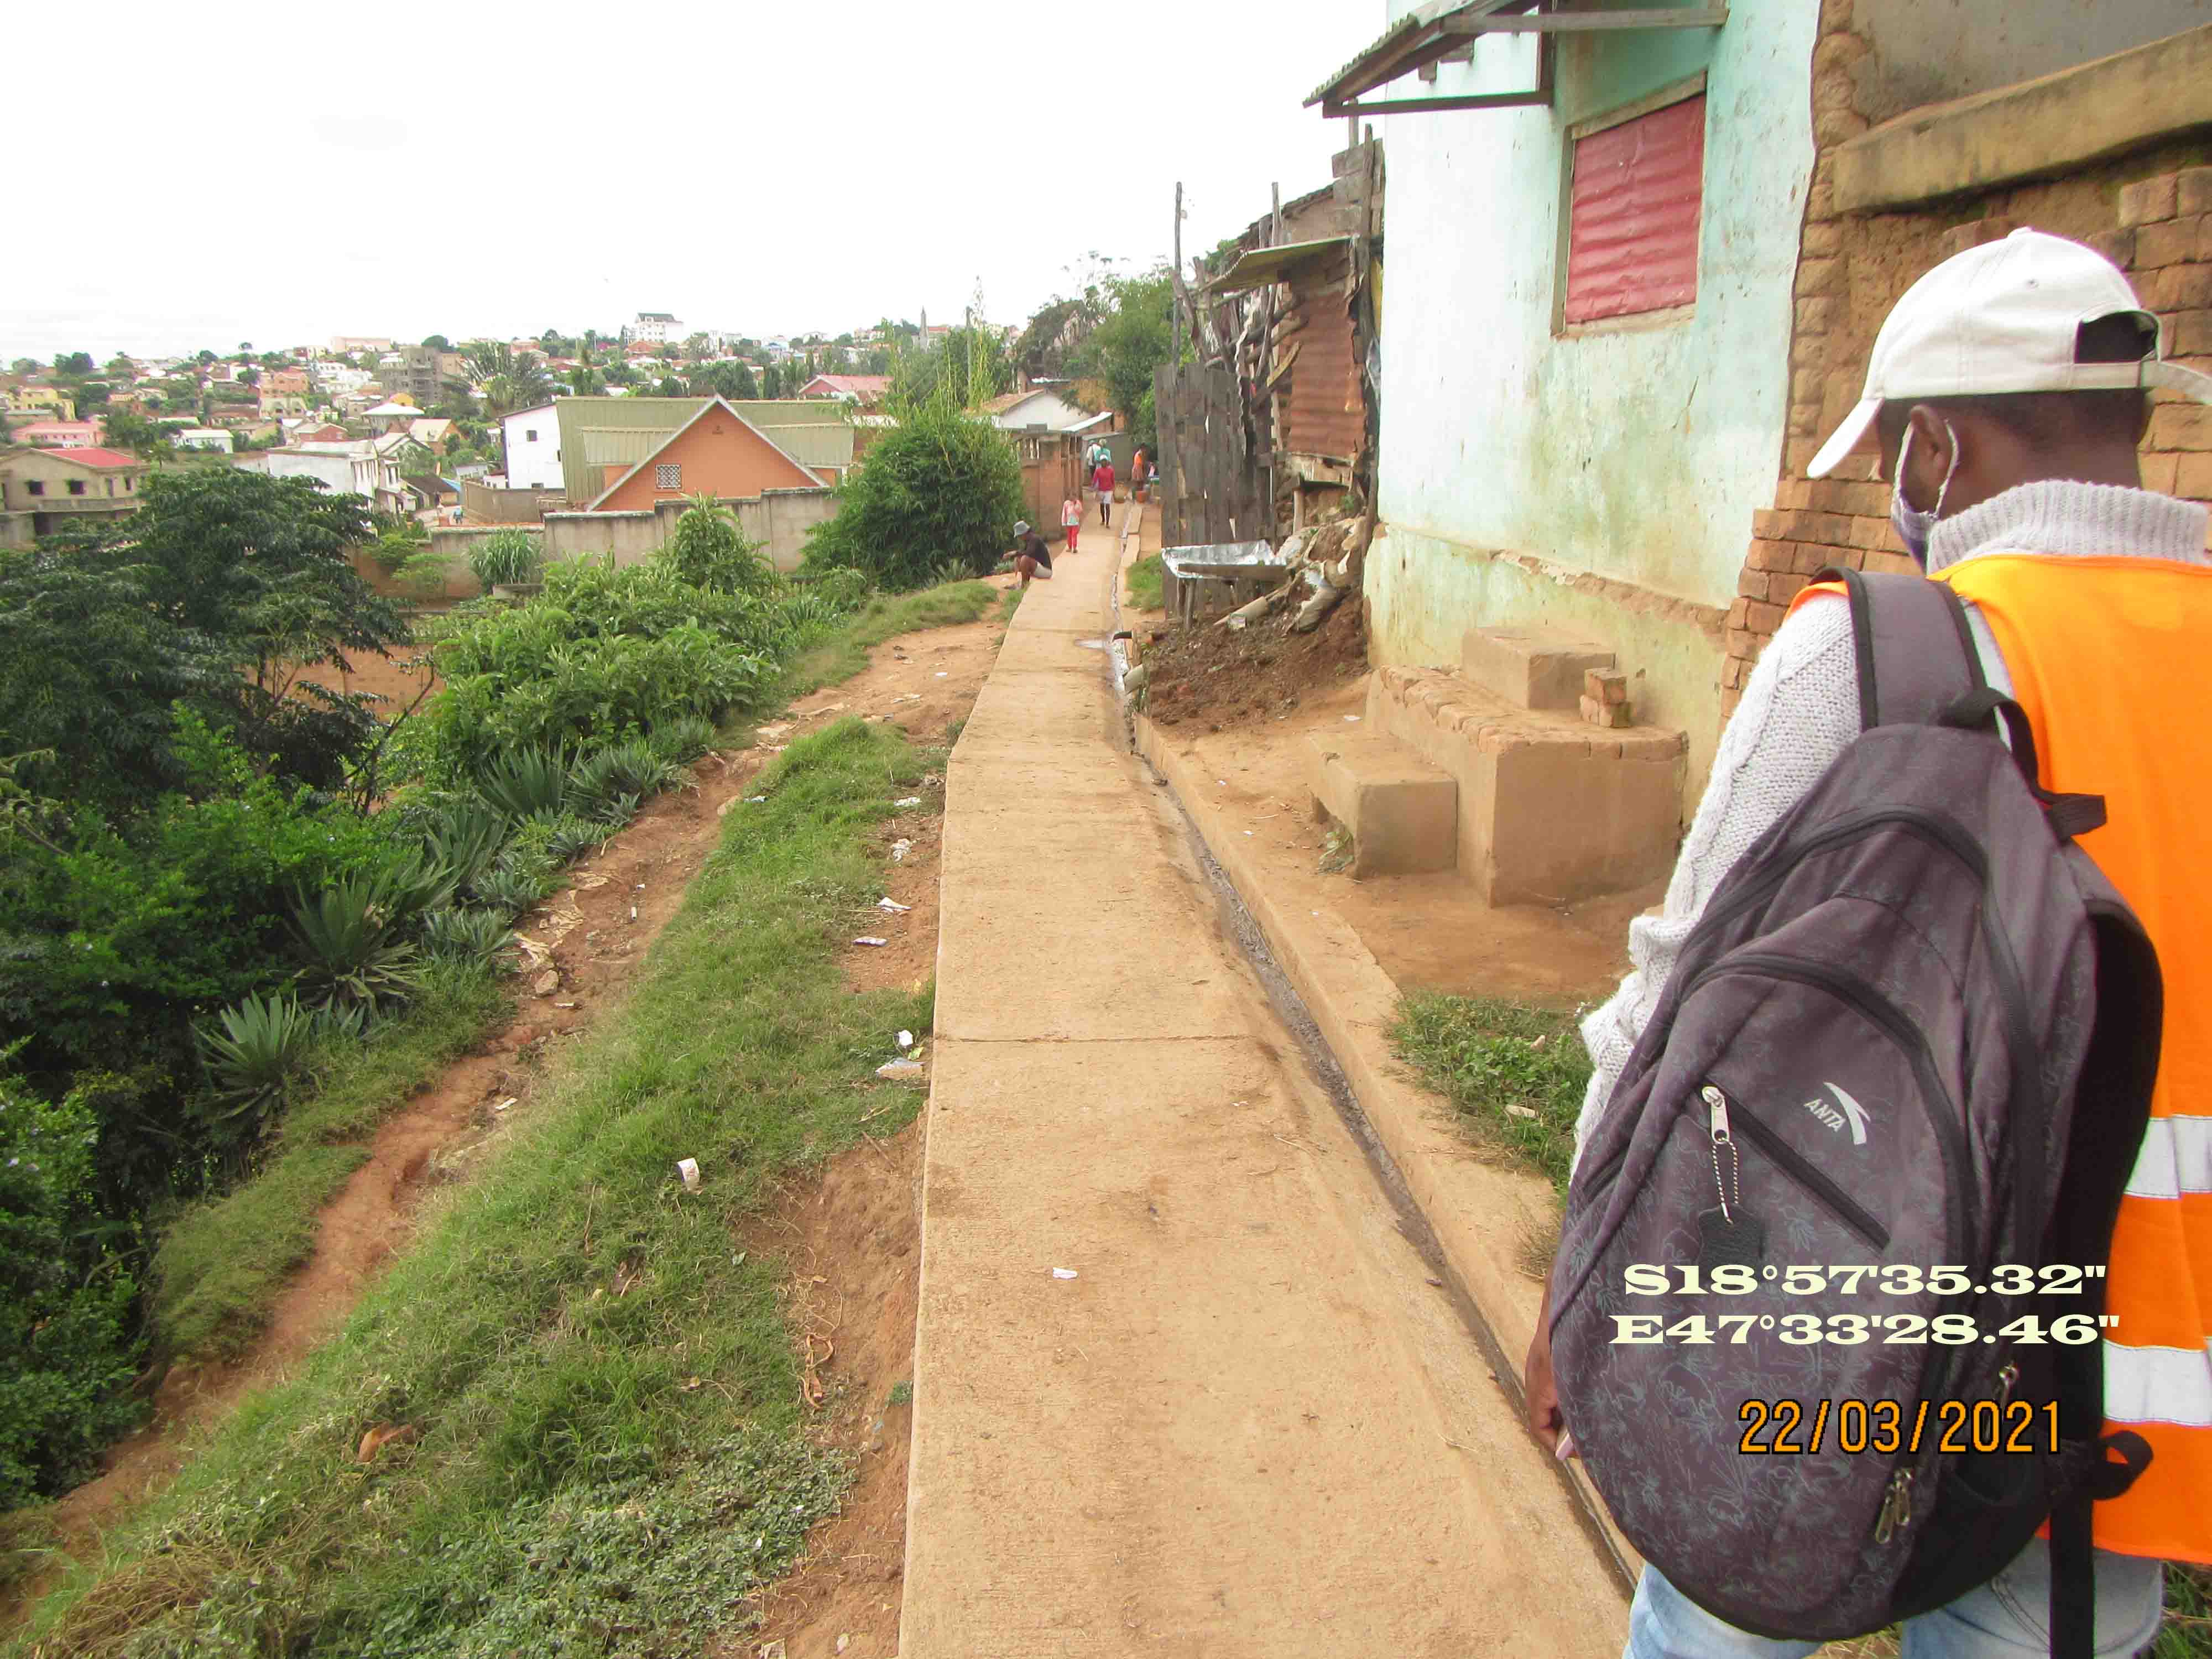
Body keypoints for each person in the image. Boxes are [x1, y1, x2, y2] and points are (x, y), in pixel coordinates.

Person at [1528, 229, 2212, 1658]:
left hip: (1838, 1338)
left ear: (1936, 450)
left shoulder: (1884, 648)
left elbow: (1679, 993)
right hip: (2117, 1409)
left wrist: (1583, 1283)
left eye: (1897, 451)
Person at [1009, 519, 1053, 590]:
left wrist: (1015, 553)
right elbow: (1023, 553)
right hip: (1039, 569)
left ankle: (1023, 586)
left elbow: (1028, 554)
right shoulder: (1029, 540)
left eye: (1020, 536)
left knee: (1025, 559)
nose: (1020, 538)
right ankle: (1020, 582)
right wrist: (1017, 556)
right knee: (1019, 558)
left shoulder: (1035, 539)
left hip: (1046, 572)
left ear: (1024, 533)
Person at [1092, 455, 1115, 528]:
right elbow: (1095, 480)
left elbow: (1113, 480)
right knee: (1102, 506)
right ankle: (1103, 520)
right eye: (1102, 461)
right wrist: (1093, 486)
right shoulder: (1098, 471)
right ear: (1100, 462)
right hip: (1101, 490)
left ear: (1107, 462)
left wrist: (1114, 489)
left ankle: (1108, 523)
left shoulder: (1111, 470)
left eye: (1105, 461)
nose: (1104, 462)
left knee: (1107, 506)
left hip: (1109, 490)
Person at [1061, 492, 1082, 557]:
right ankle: (1070, 547)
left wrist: (1075, 504)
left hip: (1075, 522)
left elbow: (1080, 510)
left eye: (1073, 496)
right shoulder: (1066, 503)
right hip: (1068, 522)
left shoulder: (1077, 503)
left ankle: (1075, 548)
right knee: (1069, 535)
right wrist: (1064, 522)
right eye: (1071, 496)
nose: (1072, 497)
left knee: (1074, 535)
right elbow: (1064, 513)